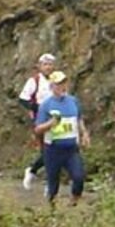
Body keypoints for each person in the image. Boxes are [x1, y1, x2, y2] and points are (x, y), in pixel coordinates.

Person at [32, 69, 90, 206]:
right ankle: (52, 210)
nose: (62, 87)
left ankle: (74, 201)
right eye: (58, 84)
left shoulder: (73, 101)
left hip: (71, 149)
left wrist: (84, 134)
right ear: (51, 86)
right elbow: (37, 129)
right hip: (53, 150)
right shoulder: (46, 105)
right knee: (53, 184)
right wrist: (50, 124)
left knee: (79, 177)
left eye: (64, 83)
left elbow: (79, 118)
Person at [17, 51, 59, 190]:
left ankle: (33, 170)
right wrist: (37, 108)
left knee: (55, 149)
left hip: (56, 119)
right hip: (40, 120)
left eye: (50, 64)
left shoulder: (57, 81)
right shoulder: (34, 81)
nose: (48, 67)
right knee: (48, 150)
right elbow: (23, 99)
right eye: (45, 64)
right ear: (40, 66)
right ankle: (47, 180)